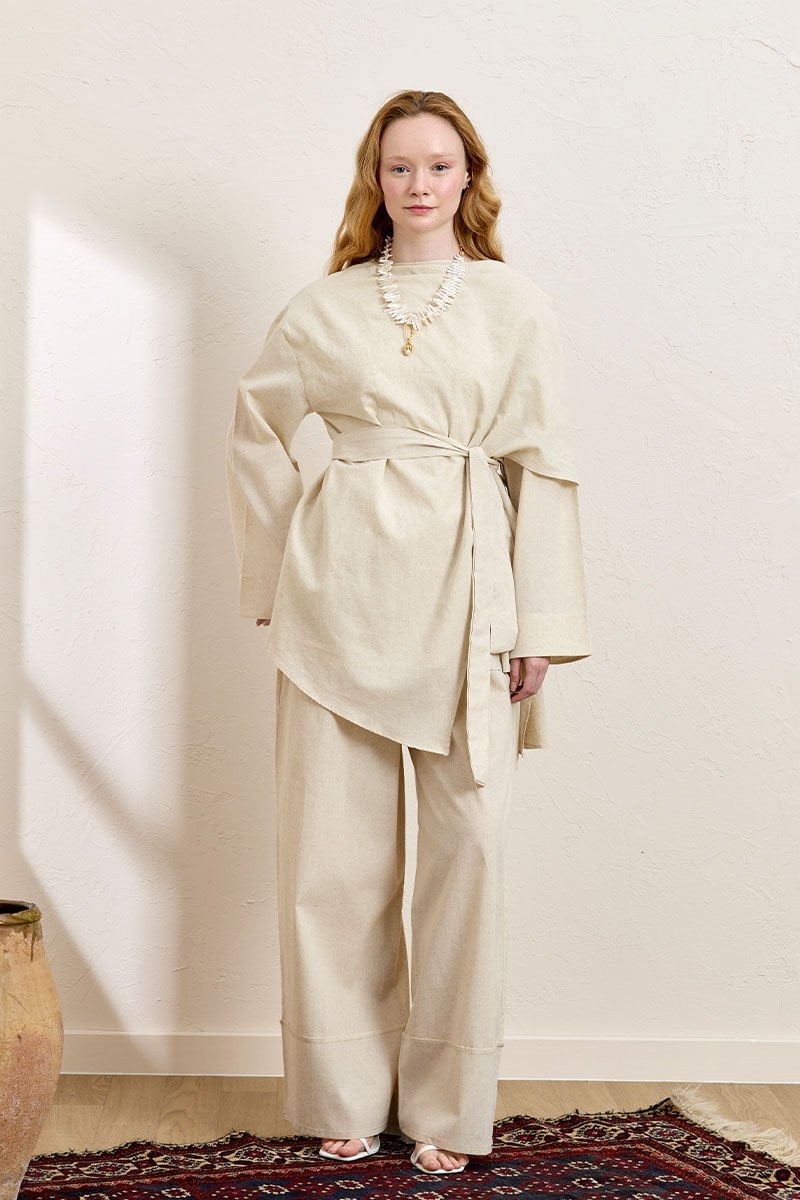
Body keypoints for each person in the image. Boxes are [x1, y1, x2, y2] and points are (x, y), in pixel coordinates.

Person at [225, 88, 591, 1176]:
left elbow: (543, 466)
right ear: (374, 180)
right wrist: (276, 570)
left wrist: (539, 621)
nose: (418, 184)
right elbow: (255, 429)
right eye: (399, 167)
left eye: (438, 165)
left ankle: (445, 1106)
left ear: (468, 176)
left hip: (470, 592)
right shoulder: (322, 307)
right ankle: (343, 1091)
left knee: (467, 856)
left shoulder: (514, 305)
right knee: (331, 864)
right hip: (336, 594)